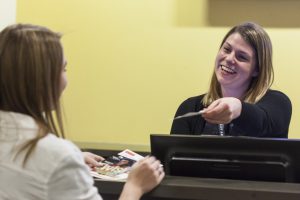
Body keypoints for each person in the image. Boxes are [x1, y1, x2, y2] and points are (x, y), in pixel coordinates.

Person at [0, 24, 164, 200]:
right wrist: (135, 186)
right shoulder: (56, 155)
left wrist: (73, 160)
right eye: (64, 69)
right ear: (43, 78)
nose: (66, 79)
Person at [171, 22, 292, 138]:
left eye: (241, 57)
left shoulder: (279, 103)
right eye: (227, 49)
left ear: (257, 70)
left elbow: (262, 121)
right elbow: (172, 157)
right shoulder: (190, 107)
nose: (229, 59)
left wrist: (237, 107)